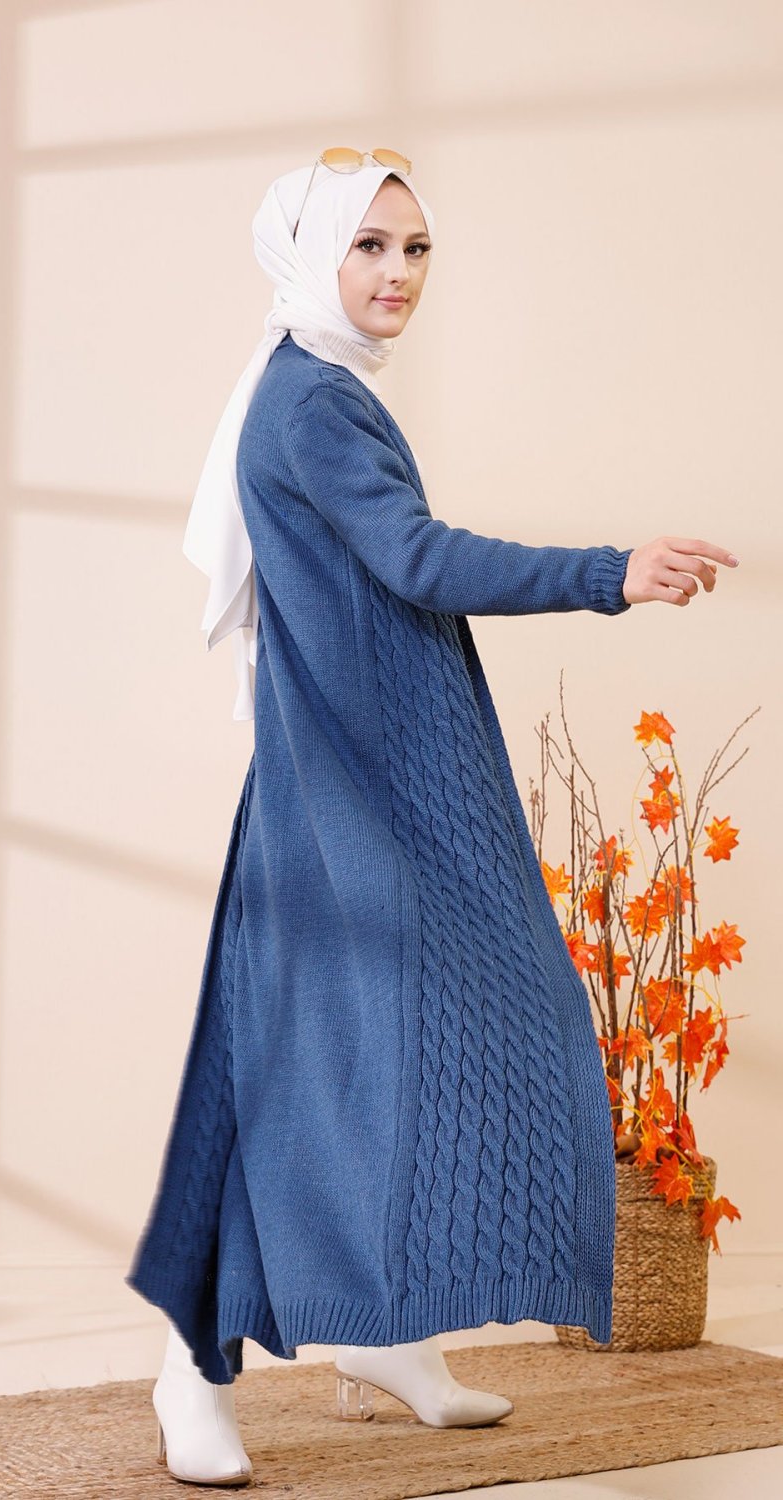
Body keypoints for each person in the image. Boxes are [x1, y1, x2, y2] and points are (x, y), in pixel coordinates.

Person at [125, 149, 740, 1487]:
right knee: (301, 1069)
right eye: (369, 246)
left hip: (383, 772)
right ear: (311, 256)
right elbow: (417, 556)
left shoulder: (318, 384)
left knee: (401, 1048)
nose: (398, 274)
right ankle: (190, 1368)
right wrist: (611, 571)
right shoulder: (310, 403)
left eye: (415, 249)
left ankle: (386, 1331)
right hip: (350, 789)